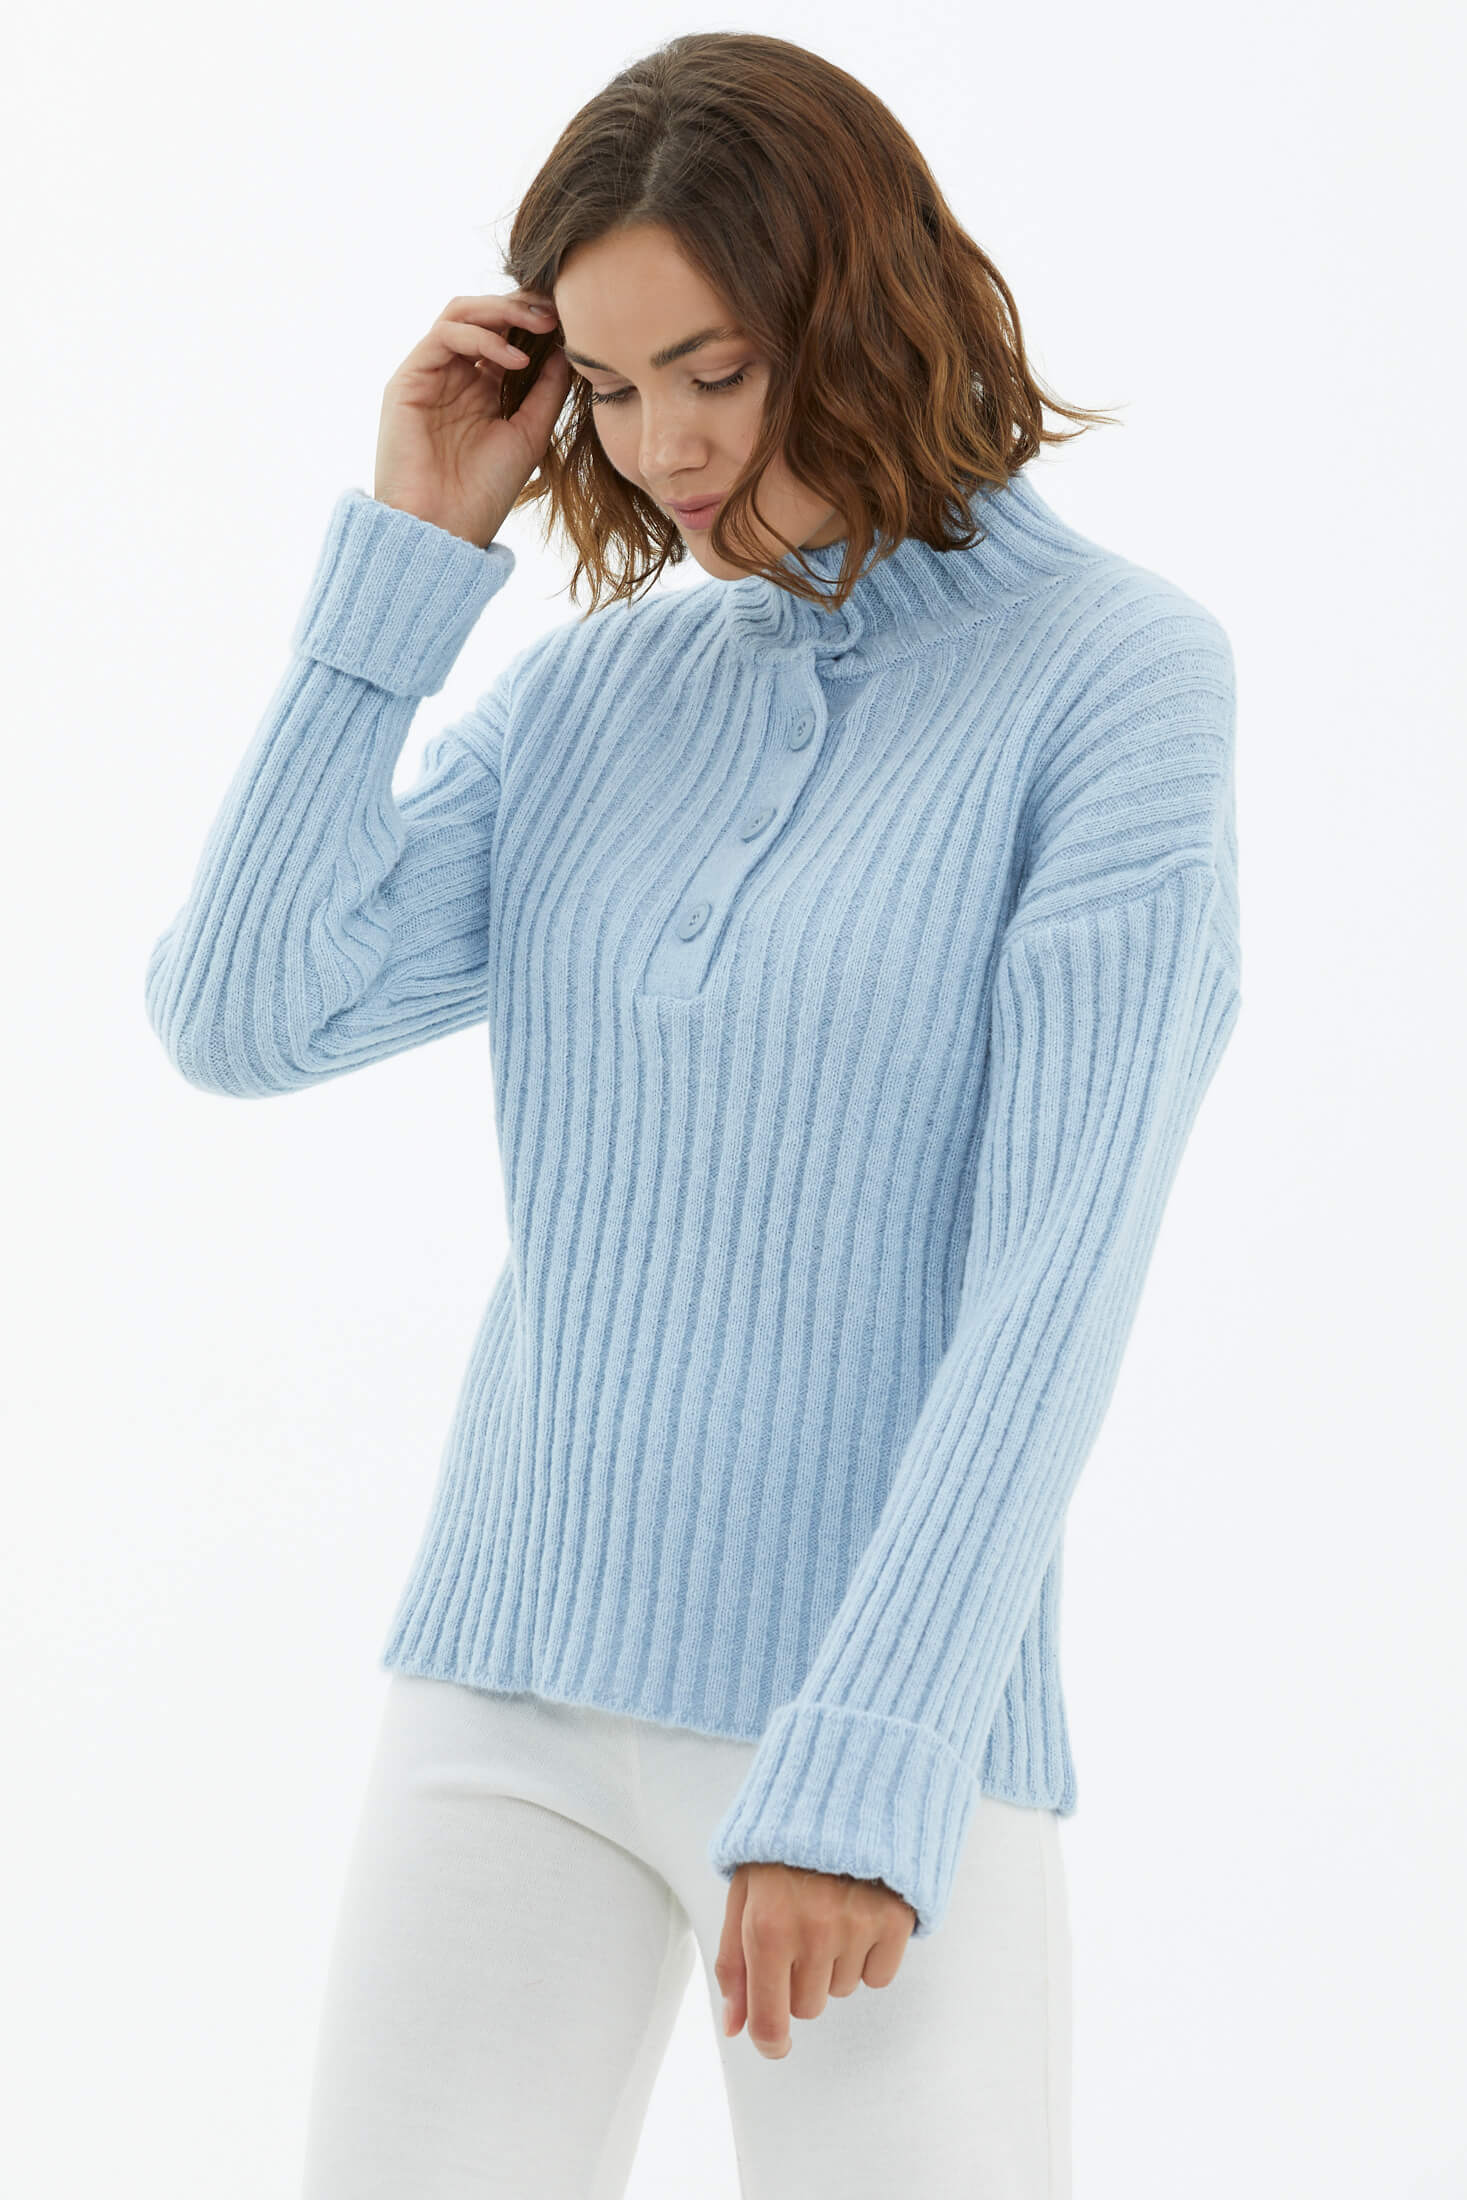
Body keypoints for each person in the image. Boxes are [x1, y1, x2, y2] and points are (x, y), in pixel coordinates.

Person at [144, 30, 1239, 2200]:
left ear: (865, 305)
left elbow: (1057, 1269)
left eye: (714, 372)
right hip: (505, 1681)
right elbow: (245, 1013)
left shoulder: (1112, 678)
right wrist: (405, 562)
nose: (662, 450)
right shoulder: (585, 696)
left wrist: (869, 1754)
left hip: (866, 1716)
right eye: (612, 387)